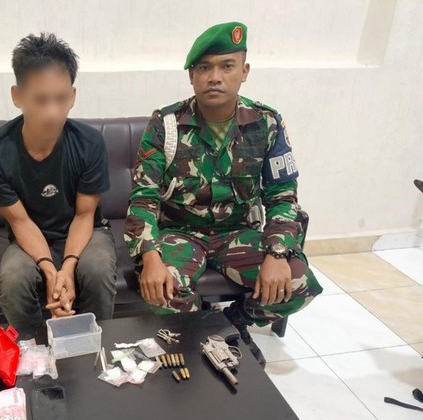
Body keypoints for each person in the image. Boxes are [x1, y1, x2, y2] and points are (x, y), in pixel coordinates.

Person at [124, 22, 323, 367]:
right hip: (180, 233)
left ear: (244, 72)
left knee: (299, 283)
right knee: (161, 289)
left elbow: (282, 195)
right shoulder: (165, 124)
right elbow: (144, 197)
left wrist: (277, 252)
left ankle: (232, 324)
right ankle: (202, 334)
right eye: (204, 68)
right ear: (192, 76)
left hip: (238, 233)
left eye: (226, 66)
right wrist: (150, 257)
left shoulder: (266, 123)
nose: (214, 77)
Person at [0, 33, 117, 340]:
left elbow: (84, 215)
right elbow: (20, 221)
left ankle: (94, 345)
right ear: (17, 96)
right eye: (40, 100)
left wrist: (68, 267)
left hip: (86, 230)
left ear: (73, 96)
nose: (52, 112)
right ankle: (32, 350)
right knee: (13, 279)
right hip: (30, 234)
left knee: (96, 270)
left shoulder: (90, 144)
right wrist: (51, 271)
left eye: (61, 99)